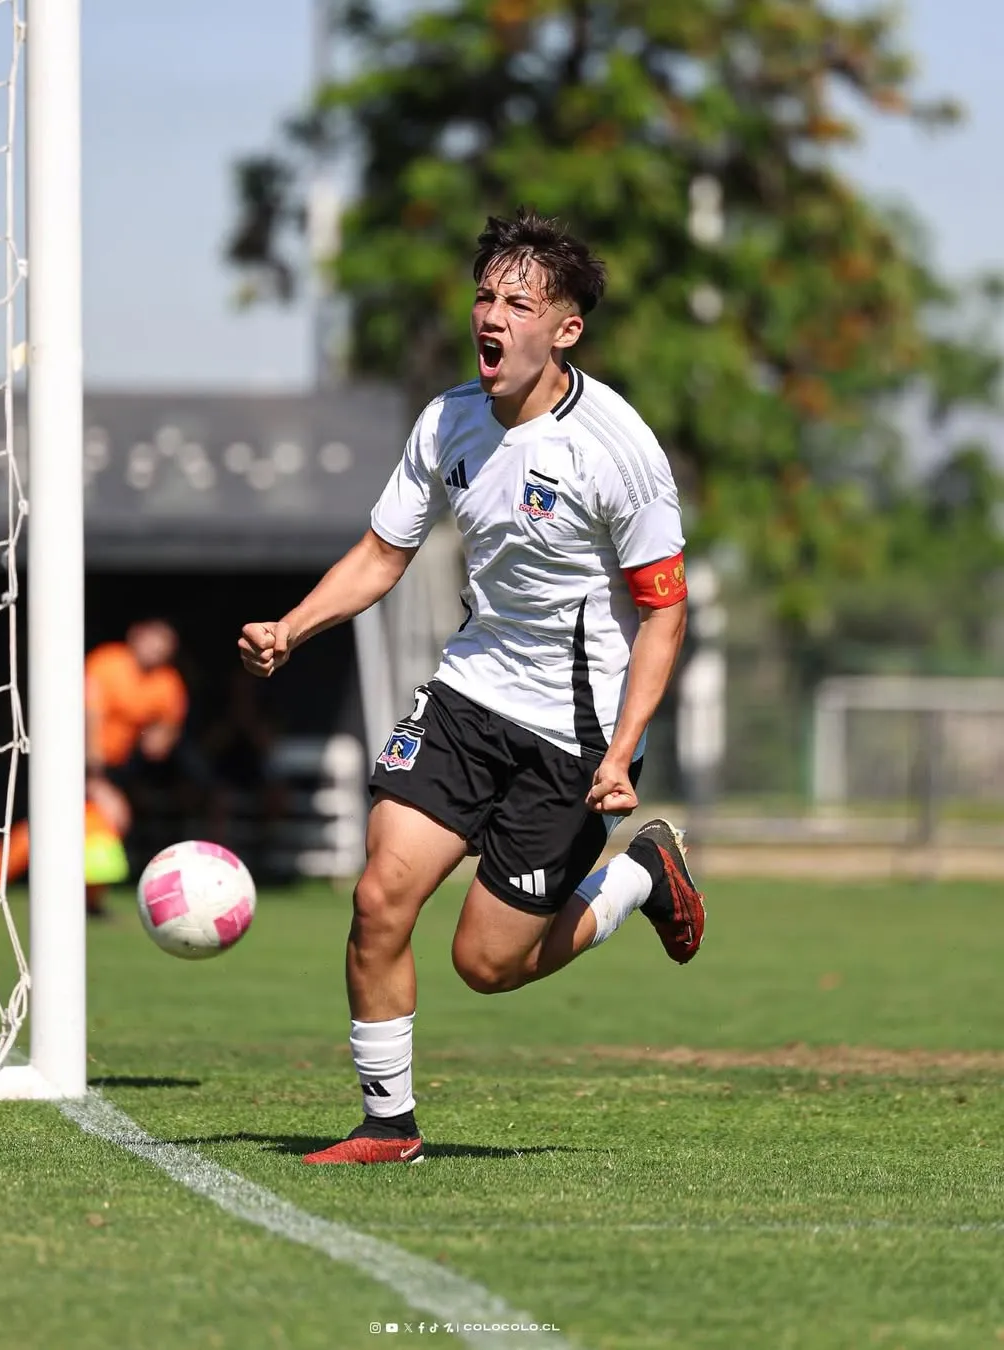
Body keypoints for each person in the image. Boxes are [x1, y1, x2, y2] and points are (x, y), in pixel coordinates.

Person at [239, 208, 705, 1165]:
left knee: (487, 964)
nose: (491, 316)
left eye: (518, 303)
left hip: (573, 733)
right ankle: (387, 1127)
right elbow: (381, 554)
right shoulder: (446, 420)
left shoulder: (618, 450)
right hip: (467, 695)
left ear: (565, 329)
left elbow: (664, 612)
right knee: (379, 901)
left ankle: (639, 875)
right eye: (485, 295)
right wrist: (293, 626)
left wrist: (622, 752)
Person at [0, 619, 188, 915]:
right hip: (71, 758)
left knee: (98, 827)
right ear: (135, 636)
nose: (156, 649)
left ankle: (88, 900)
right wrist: (93, 779)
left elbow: (160, 741)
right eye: (152, 640)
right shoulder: (107, 663)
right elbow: (88, 717)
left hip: (113, 769)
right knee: (53, 829)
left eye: (164, 645)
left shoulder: (167, 683)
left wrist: (164, 732)